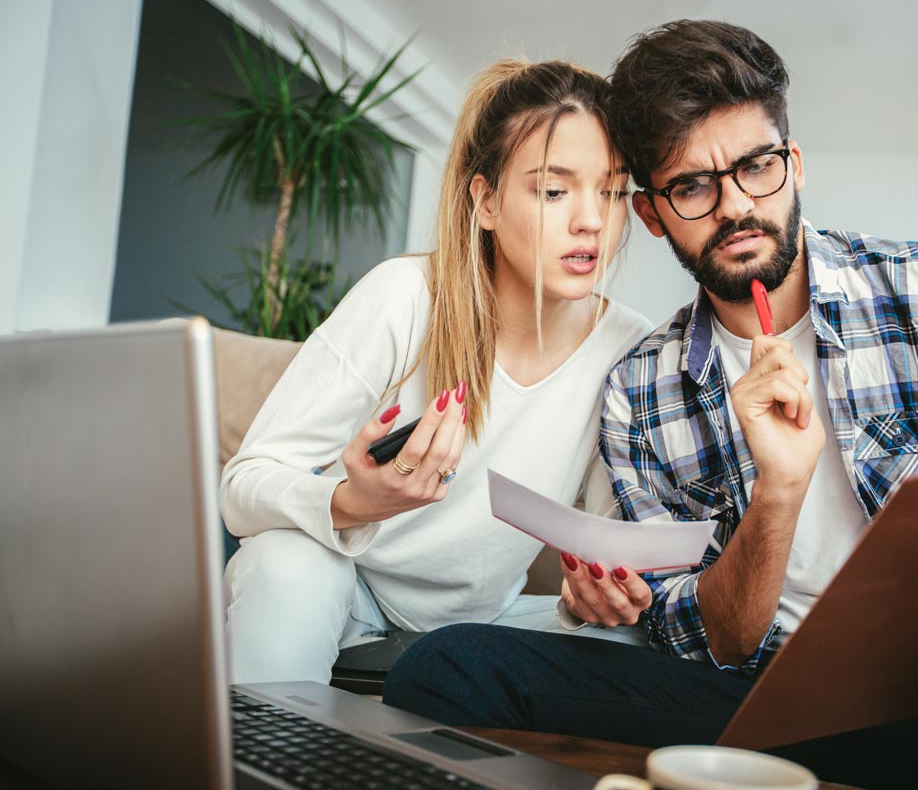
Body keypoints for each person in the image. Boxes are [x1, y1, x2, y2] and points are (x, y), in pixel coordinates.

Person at [382, 21, 918, 787]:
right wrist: (777, 493)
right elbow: (711, 638)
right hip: (759, 707)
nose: (736, 205)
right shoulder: (640, 389)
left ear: (795, 163)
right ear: (652, 214)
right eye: (693, 185)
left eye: (757, 167)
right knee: (445, 666)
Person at [220, 59, 651, 685]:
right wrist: (353, 501)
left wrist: (593, 597)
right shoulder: (406, 296)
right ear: (486, 201)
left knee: (649, 644)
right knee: (287, 562)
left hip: (487, 626)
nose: (592, 220)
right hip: (351, 595)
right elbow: (244, 485)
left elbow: (607, 545)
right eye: (554, 191)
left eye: (612, 191)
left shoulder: (629, 346)